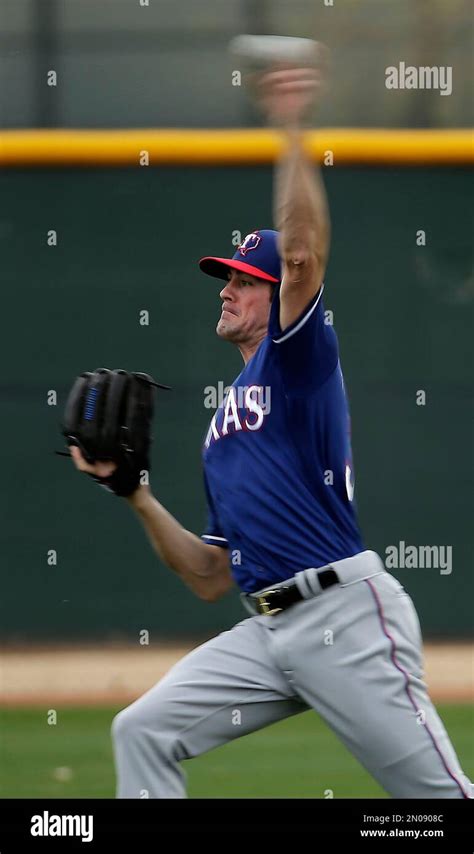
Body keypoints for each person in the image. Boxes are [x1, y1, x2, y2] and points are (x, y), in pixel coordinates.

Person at [70, 66, 472, 799]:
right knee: (142, 729)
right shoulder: (222, 429)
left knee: (437, 802)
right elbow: (209, 576)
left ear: (277, 296)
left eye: (242, 281)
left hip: (343, 618)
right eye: (224, 280)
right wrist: (134, 492)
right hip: (268, 632)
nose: (225, 290)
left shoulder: (298, 362)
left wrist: (290, 127)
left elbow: (303, 251)